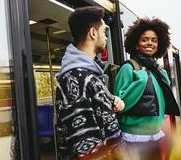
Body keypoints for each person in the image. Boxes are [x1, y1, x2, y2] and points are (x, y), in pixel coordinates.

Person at [55, 6, 126, 160]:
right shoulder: (75, 79)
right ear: (93, 33)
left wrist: (111, 100)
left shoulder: (88, 75)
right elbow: (85, 148)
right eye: (103, 32)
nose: (106, 38)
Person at [113, 18, 180, 160]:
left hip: (155, 136)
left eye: (154, 40)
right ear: (136, 45)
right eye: (144, 40)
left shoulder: (158, 71)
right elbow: (119, 105)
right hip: (133, 139)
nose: (150, 43)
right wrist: (141, 79)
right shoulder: (128, 68)